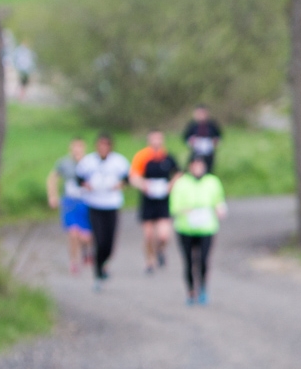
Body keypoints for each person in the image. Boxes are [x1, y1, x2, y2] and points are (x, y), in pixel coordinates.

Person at [75, 133, 132, 288]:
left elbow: (127, 178)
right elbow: (78, 177)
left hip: (112, 204)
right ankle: (98, 271)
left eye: (106, 145)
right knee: (99, 239)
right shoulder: (88, 161)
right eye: (101, 145)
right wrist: (86, 185)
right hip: (94, 203)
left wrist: (120, 185)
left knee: (109, 242)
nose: (103, 148)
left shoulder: (119, 161)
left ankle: (104, 262)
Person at [168, 155, 226, 305]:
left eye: (200, 165)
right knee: (188, 261)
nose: (197, 168)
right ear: (190, 167)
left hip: (207, 228)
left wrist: (220, 209)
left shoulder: (212, 182)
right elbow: (174, 207)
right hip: (186, 228)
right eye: (194, 165)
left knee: (203, 260)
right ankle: (190, 290)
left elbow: (219, 200)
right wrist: (184, 210)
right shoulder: (181, 183)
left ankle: (203, 288)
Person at [130, 130, 180, 274]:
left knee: (164, 235)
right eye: (154, 139)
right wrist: (143, 185)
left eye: (159, 139)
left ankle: (160, 250)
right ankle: (149, 261)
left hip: (163, 201)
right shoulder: (142, 156)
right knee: (148, 235)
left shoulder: (167, 157)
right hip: (148, 200)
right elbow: (134, 176)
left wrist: (171, 185)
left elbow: (178, 173)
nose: (156, 142)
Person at [46, 136, 93, 275]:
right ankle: (74, 261)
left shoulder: (90, 163)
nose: (77, 150)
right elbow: (52, 178)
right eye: (75, 147)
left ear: (84, 148)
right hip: (69, 202)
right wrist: (52, 196)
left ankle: (86, 251)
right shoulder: (64, 163)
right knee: (73, 233)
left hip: (86, 202)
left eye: (80, 147)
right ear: (70, 148)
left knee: (85, 236)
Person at [182, 106, 223, 172]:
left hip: (209, 150)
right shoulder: (192, 125)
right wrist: (190, 141)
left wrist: (215, 142)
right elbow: (185, 137)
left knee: (209, 168)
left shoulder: (212, 125)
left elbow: (219, 136)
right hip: (196, 150)